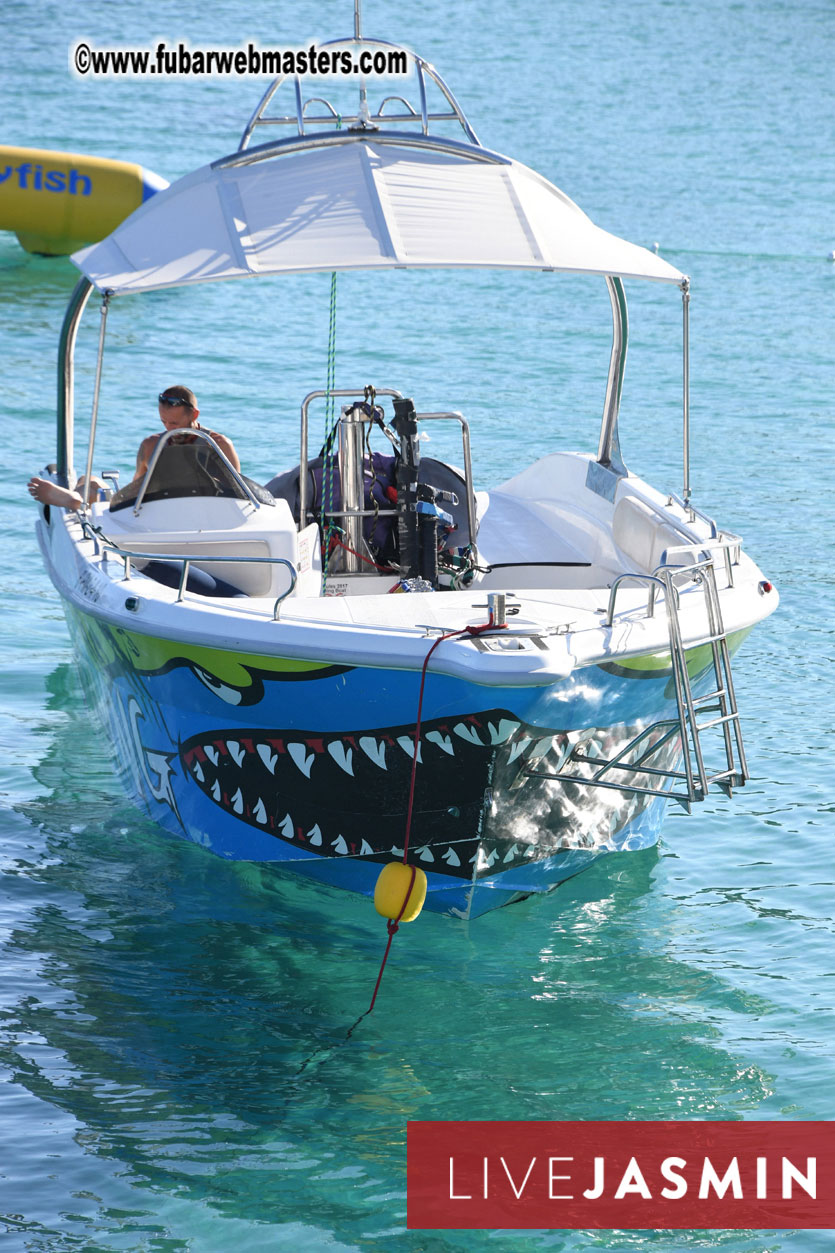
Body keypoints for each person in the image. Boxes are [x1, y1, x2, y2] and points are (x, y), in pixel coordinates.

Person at [27, 386, 240, 509]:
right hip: (153, 506)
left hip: (195, 510)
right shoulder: (151, 444)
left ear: (194, 415)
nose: (168, 428)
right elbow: (137, 487)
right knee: (87, 479)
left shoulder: (219, 446)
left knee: (93, 487)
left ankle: (81, 500)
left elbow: (236, 492)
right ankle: (78, 498)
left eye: (174, 424)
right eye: (164, 422)